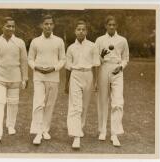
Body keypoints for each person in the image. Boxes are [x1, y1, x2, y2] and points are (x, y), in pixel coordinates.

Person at [0, 17, 28, 144]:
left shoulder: (20, 42)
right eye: (8, 26)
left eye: (13, 26)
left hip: (15, 78)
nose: (11, 28)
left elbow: (24, 61)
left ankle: (10, 125)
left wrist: (25, 78)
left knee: (13, 103)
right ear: (2, 27)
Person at [28, 14, 66, 145]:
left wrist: (54, 68)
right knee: (38, 103)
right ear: (41, 26)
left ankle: (45, 129)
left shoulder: (59, 41)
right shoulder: (35, 41)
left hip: (53, 77)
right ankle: (38, 132)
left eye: (50, 24)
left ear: (53, 25)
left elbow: (63, 59)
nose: (48, 26)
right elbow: (30, 59)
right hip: (38, 76)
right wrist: (36, 67)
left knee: (49, 105)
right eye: (46, 24)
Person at [65, 20, 100, 149]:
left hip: (88, 76)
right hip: (75, 75)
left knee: (84, 106)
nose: (81, 31)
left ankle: (80, 127)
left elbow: (96, 65)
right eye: (78, 29)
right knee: (76, 106)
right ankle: (76, 136)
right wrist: (66, 83)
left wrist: (95, 82)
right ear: (75, 31)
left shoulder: (92, 46)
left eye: (83, 29)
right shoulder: (70, 48)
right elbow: (68, 68)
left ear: (86, 31)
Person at [95, 15, 129, 147]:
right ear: (105, 26)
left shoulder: (122, 40)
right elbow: (96, 59)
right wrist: (101, 57)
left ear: (117, 26)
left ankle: (114, 133)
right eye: (109, 25)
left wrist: (120, 67)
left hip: (117, 70)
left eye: (114, 25)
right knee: (102, 100)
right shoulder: (99, 40)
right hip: (104, 69)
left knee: (118, 102)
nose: (112, 27)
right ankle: (102, 130)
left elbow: (125, 58)